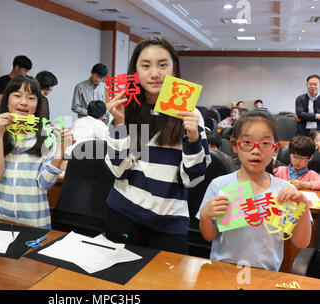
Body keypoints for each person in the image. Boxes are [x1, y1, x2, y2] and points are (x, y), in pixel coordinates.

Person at [104, 37, 211, 254]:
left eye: (163, 65)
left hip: (169, 221)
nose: (155, 73)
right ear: (135, 70)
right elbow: (117, 170)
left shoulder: (190, 113)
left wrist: (193, 139)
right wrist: (120, 124)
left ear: (174, 68)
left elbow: (193, 179)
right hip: (124, 213)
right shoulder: (124, 109)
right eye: (146, 65)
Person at [196, 110, 312, 271]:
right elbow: (209, 236)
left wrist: (304, 206)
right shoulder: (220, 185)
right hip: (223, 270)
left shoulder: (285, 191)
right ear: (235, 146)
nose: (256, 150)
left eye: (265, 143)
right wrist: (205, 217)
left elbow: (301, 243)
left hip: (265, 274)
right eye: (247, 142)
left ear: (275, 148)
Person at [0, 75, 72, 228]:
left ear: (37, 104)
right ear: (7, 99)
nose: (23, 102)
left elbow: (45, 184)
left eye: (31, 98)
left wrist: (60, 150)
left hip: (34, 223)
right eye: (17, 96)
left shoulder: (46, 137)